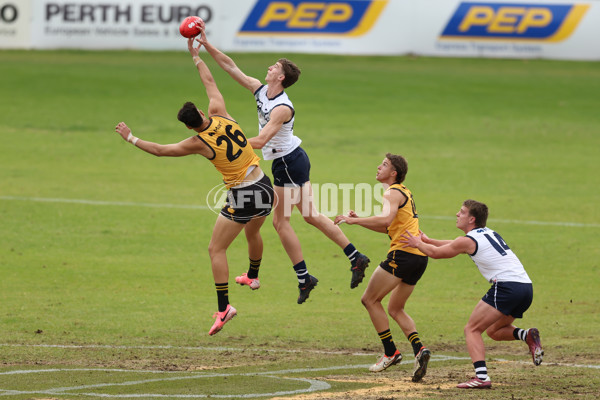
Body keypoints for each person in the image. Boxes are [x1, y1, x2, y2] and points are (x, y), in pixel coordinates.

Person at [114, 37, 274, 336]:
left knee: (216, 248)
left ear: (188, 126)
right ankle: (253, 276)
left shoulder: (197, 142)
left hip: (244, 194)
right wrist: (196, 57)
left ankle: (224, 307)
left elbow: (161, 150)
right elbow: (211, 82)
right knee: (253, 232)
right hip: (265, 186)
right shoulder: (221, 113)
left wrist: (131, 138)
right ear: (202, 112)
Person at [197, 31, 370, 304]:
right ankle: (354, 257)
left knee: (280, 222)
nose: (269, 67)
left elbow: (263, 139)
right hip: (293, 160)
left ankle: (305, 278)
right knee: (311, 215)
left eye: (274, 67)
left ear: (281, 78)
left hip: (288, 163)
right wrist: (206, 45)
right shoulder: (261, 90)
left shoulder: (282, 108)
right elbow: (231, 67)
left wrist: (228, 141)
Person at [400, 199, 544, 389]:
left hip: (506, 288)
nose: (457, 214)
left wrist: (417, 244)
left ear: (472, 219)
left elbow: (436, 253)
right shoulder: (488, 233)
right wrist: (427, 240)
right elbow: (455, 244)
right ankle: (527, 335)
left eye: (462, 212)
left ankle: (482, 378)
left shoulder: (468, 240)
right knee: (493, 331)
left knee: (472, 329)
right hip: (525, 288)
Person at [334, 154, 431, 382]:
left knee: (369, 299)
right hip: (419, 257)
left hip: (403, 255)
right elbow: (390, 228)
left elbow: (386, 220)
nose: (379, 167)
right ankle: (419, 349)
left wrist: (353, 221)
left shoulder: (391, 192)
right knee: (396, 308)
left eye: (385, 165)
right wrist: (361, 219)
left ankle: (391, 352)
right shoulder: (403, 192)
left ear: (394, 173)